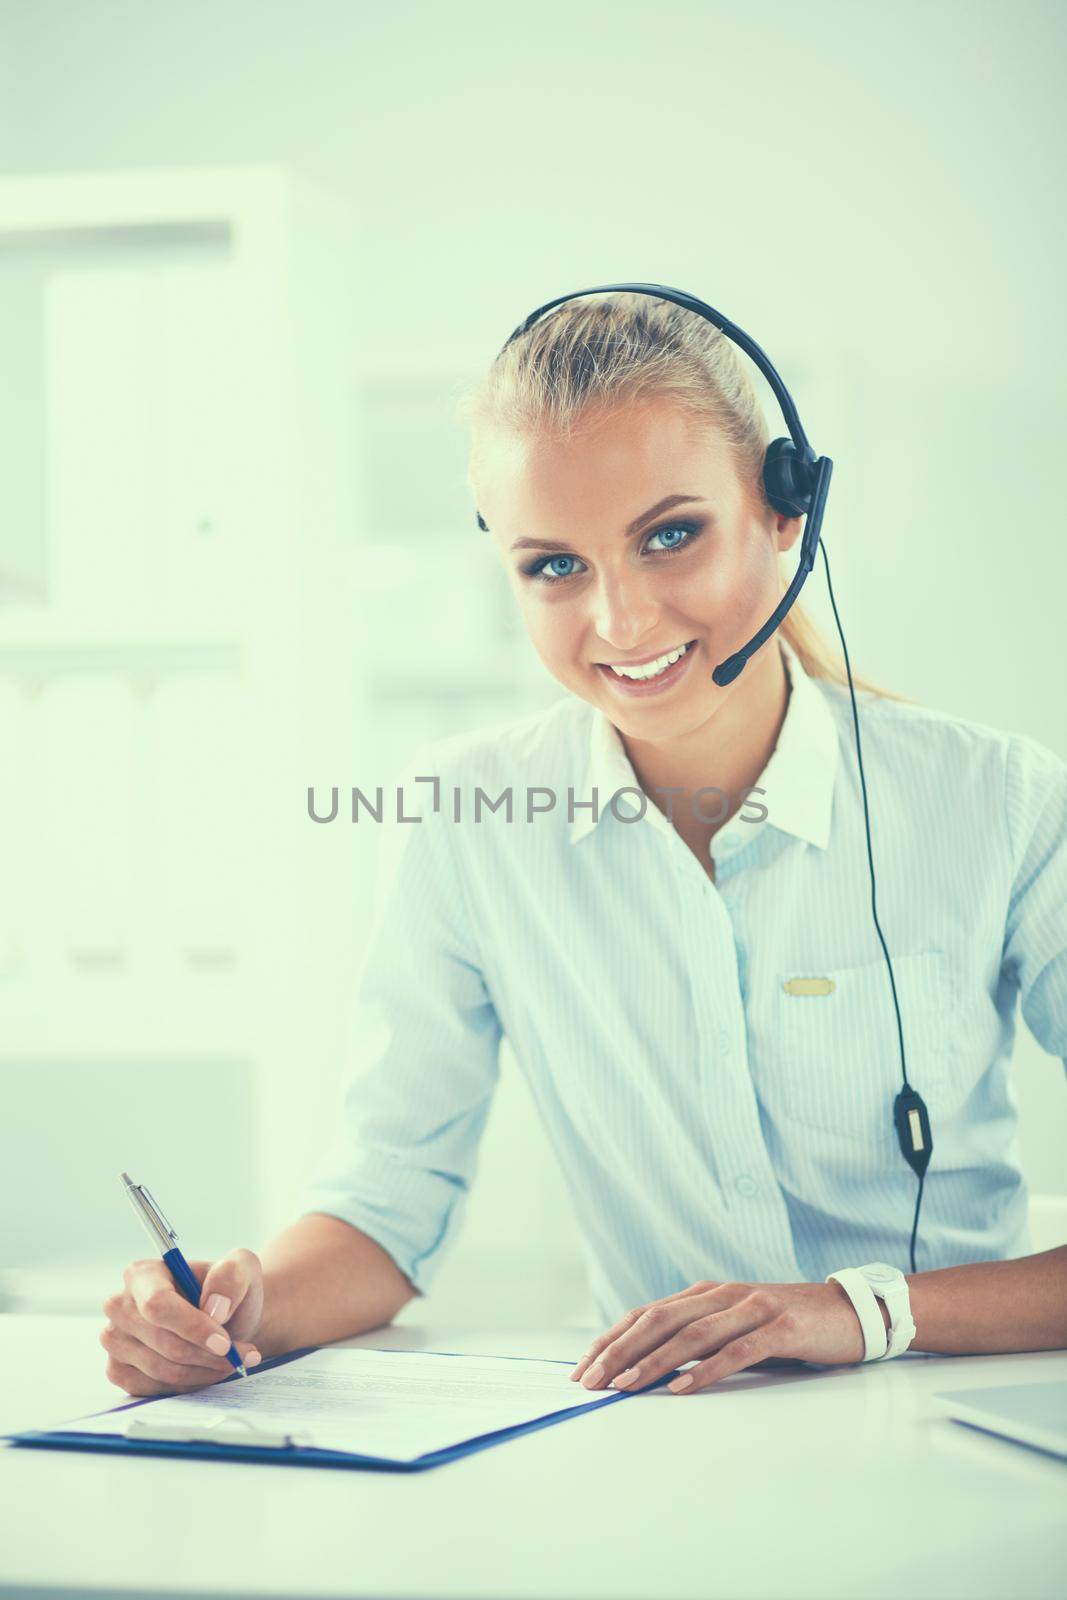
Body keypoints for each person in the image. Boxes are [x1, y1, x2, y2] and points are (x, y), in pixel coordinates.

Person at [100, 292, 1067, 1399]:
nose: (619, 620)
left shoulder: (992, 801)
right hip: (652, 1440)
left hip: (949, 1425)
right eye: (553, 566)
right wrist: (238, 1307)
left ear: (784, 508)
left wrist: (856, 1309)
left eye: (668, 535)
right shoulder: (461, 818)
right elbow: (384, 1208)